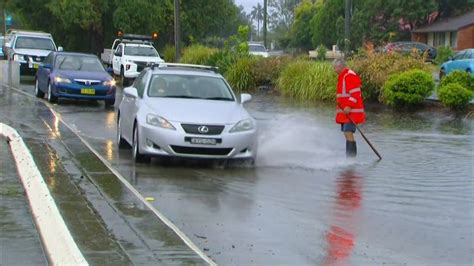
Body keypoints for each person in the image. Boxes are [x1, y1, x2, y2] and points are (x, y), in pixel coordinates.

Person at [333, 58, 365, 157]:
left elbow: (356, 94)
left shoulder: (349, 76)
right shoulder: (343, 76)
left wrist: (349, 106)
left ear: (340, 66)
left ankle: (351, 159)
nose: (334, 70)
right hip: (346, 113)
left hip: (352, 112)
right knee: (347, 133)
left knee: (348, 132)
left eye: (335, 67)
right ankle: (349, 157)